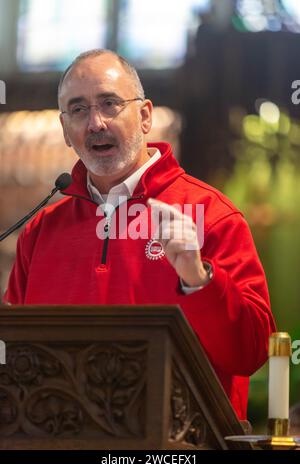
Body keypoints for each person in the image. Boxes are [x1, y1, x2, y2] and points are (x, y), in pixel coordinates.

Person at [3, 49, 276, 420]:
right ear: (66, 130)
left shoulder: (210, 214)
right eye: (78, 109)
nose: (95, 122)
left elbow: (252, 353)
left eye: (110, 103)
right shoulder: (41, 230)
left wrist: (199, 280)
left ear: (145, 116)